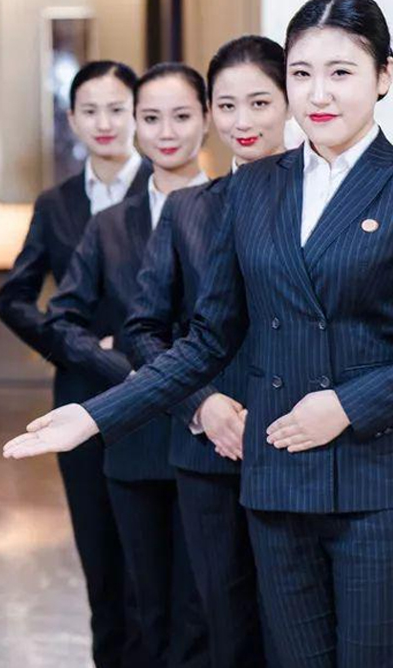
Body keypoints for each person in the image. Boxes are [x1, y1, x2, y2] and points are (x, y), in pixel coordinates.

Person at [4, 0, 393, 667]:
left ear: (384, 74)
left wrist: (347, 405)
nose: (318, 93)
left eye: (341, 72)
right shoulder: (253, 188)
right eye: (301, 73)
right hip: (277, 486)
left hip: (380, 488)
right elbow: (207, 340)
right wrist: (97, 415)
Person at [123, 37, 290, 668]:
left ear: (290, 102)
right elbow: (144, 329)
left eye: (260, 102)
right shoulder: (189, 210)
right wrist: (201, 405)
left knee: (296, 632)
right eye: (227, 105)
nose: (242, 121)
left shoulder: (324, 202)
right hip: (207, 456)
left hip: (302, 446)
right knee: (226, 630)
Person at [46, 62, 210, 668]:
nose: (166, 132)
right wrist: (124, 369)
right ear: (136, 126)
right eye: (151, 118)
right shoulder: (111, 224)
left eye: (181, 116)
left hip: (218, 438)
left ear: (207, 119)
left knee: (207, 612)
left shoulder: (239, 205)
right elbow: (61, 319)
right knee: (141, 610)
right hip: (134, 441)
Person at [0, 60, 150, 668]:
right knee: (100, 559)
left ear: (137, 113)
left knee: (153, 562)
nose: (105, 122)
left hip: (155, 392)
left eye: (117, 109)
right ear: (71, 120)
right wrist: (74, 344)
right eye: (90, 111)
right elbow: (14, 297)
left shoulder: (170, 191)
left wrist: (133, 352)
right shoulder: (56, 203)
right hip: (80, 393)